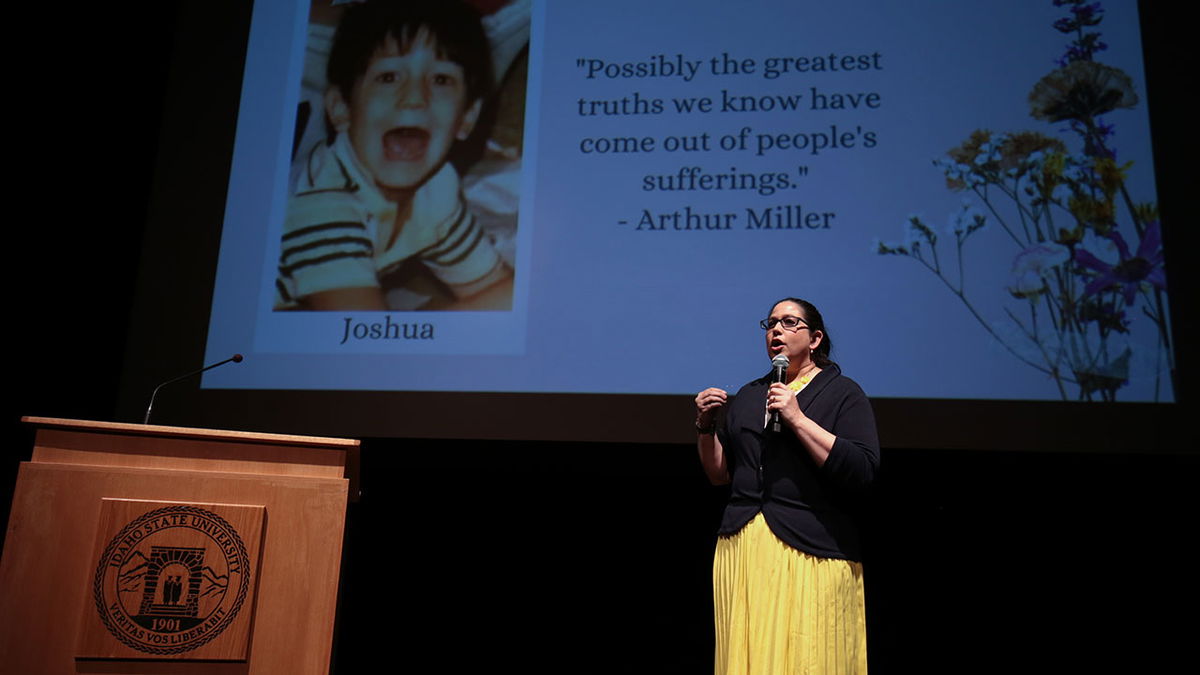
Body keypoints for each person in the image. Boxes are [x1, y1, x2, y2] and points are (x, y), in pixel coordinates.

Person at [275, 0, 513, 311]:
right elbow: (362, 338)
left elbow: (497, 290)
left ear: (467, 117)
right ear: (340, 108)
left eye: (441, 79)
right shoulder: (320, 203)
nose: (414, 98)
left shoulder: (436, 190)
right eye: (388, 77)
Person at [695, 298, 879, 674]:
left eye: (789, 322)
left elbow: (862, 469)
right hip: (744, 546)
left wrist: (796, 417)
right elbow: (719, 474)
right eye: (771, 323)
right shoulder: (749, 394)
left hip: (813, 548)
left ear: (815, 338)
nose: (776, 330)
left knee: (805, 656)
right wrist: (705, 427)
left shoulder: (843, 393)